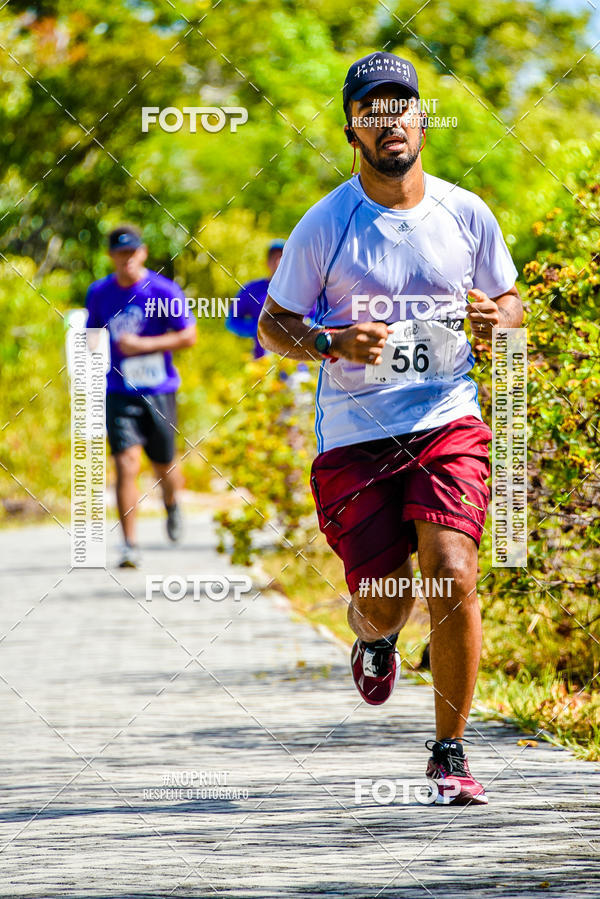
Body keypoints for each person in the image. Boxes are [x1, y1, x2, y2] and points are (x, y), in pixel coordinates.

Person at [258, 52, 523, 805]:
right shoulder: (327, 224)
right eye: (372, 110)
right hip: (356, 433)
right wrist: (330, 343)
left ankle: (450, 749)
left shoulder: (465, 212)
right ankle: (373, 636)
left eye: (401, 106)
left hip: (447, 418)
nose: (390, 121)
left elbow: (511, 304)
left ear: (421, 121)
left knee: (453, 570)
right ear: (353, 130)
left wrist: (493, 319)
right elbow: (276, 323)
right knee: (387, 597)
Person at [86, 224, 197, 568]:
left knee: (164, 464)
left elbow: (189, 336)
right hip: (120, 391)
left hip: (159, 390)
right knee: (125, 465)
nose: (127, 260)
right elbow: (92, 330)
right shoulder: (100, 293)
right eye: (120, 254)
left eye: (132, 253)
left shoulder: (163, 290)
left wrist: (144, 346)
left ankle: (172, 503)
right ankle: (129, 545)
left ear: (143, 253)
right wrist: (90, 346)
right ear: (111, 257)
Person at [226, 240, 285, 358]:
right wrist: (258, 328)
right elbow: (232, 321)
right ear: (267, 262)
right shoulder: (251, 290)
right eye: (274, 258)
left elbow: (317, 319)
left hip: (298, 365)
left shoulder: (302, 288)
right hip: (263, 362)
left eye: (283, 257)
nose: (278, 262)